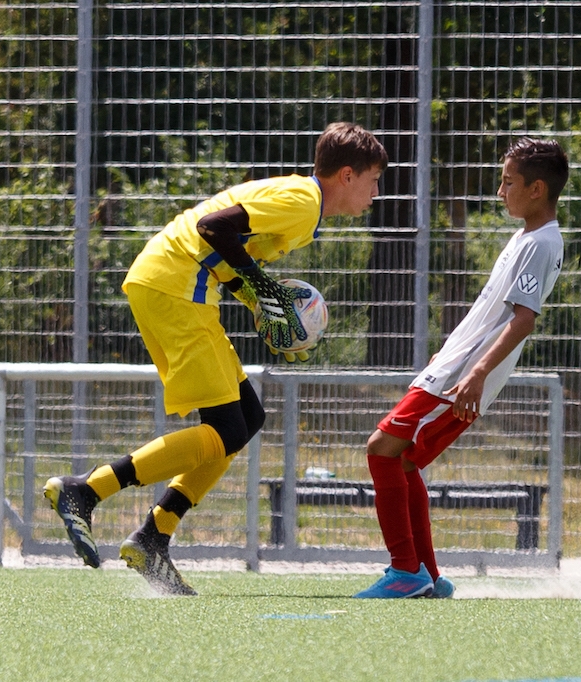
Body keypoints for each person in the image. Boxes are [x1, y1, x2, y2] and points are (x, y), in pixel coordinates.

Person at [44, 122, 388, 595]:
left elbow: (225, 251)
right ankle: (85, 489)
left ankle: (153, 536)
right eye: (373, 180)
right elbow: (213, 228)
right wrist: (265, 289)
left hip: (171, 284)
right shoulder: (304, 202)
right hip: (175, 287)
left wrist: (261, 305)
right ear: (347, 175)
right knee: (225, 428)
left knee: (246, 417)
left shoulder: (302, 201)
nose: (376, 193)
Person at [353, 138, 567, 599]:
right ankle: (427, 576)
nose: (500, 191)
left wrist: (475, 372)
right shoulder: (528, 237)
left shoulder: (541, 243)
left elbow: (523, 319)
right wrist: (451, 352)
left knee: (381, 449)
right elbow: (492, 312)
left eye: (508, 182)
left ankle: (406, 570)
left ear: (536, 189)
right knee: (403, 458)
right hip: (456, 366)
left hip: (463, 376)